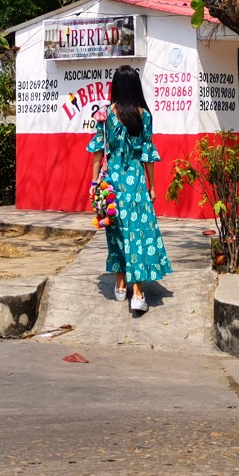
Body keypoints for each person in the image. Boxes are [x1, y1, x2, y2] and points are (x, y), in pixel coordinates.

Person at [87, 65, 172, 313]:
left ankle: (120, 285)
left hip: (111, 184)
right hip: (135, 183)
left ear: (116, 86)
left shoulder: (104, 114)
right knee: (137, 235)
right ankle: (137, 293)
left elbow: (97, 152)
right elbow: (147, 155)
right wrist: (153, 187)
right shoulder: (144, 115)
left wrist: (94, 185)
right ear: (135, 87)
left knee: (116, 235)